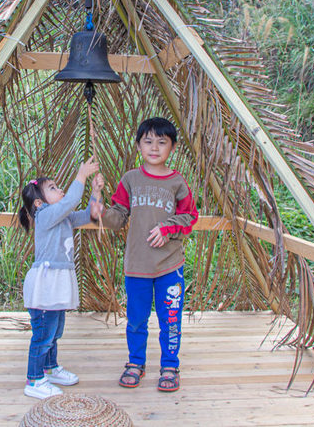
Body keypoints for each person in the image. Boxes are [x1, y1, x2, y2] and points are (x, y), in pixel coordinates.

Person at [91, 117, 198, 392]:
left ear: (172, 148)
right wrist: (100, 209)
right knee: (136, 319)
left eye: (162, 142)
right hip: (137, 266)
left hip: (169, 266)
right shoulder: (130, 180)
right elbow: (118, 217)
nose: (154, 147)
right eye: (148, 141)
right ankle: (136, 362)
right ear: (138, 145)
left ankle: (170, 365)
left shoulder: (177, 182)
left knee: (170, 321)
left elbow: (189, 217)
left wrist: (167, 228)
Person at [17, 156, 102, 399]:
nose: (61, 188)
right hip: (45, 286)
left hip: (56, 285)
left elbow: (90, 215)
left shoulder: (62, 218)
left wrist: (95, 191)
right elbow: (72, 200)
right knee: (43, 334)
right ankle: (34, 380)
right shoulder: (45, 216)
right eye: (53, 188)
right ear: (38, 202)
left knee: (54, 332)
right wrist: (82, 174)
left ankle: (50, 368)